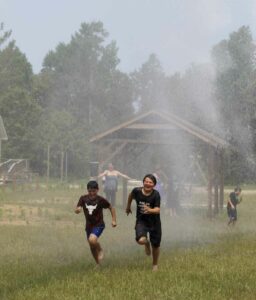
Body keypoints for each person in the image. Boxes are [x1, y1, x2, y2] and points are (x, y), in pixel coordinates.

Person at [74, 180, 117, 265]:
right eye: (90, 191)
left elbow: (111, 208)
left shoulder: (101, 200)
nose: (92, 193)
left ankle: (100, 250)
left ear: (97, 190)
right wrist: (77, 210)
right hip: (89, 226)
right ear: (87, 190)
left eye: (94, 191)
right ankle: (98, 263)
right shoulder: (83, 198)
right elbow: (77, 208)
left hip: (99, 225)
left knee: (92, 240)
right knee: (92, 245)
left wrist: (113, 220)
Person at [126, 174, 161, 271]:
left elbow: (158, 210)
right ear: (143, 182)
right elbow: (130, 196)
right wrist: (128, 207)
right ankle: (146, 243)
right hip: (141, 221)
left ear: (154, 185)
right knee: (140, 240)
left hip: (154, 223)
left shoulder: (156, 194)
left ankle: (155, 265)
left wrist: (150, 210)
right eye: (146, 181)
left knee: (156, 245)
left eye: (150, 182)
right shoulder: (136, 191)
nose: (148, 184)